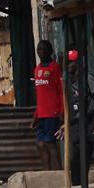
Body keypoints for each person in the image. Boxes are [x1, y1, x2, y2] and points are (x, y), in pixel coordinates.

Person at [58, 50, 94, 186]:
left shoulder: (86, 78)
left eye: (71, 62)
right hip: (76, 124)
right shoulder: (67, 81)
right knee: (76, 159)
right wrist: (65, 124)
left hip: (92, 121)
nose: (68, 65)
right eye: (66, 62)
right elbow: (70, 105)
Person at [31, 40, 63, 171]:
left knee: (50, 143)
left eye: (44, 49)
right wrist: (35, 116)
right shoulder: (37, 69)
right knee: (40, 144)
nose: (41, 52)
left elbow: (61, 91)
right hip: (41, 113)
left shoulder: (55, 68)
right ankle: (47, 173)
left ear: (50, 51)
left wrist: (61, 112)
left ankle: (58, 174)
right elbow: (40, 96)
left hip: (52, 112)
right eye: (39, 49)